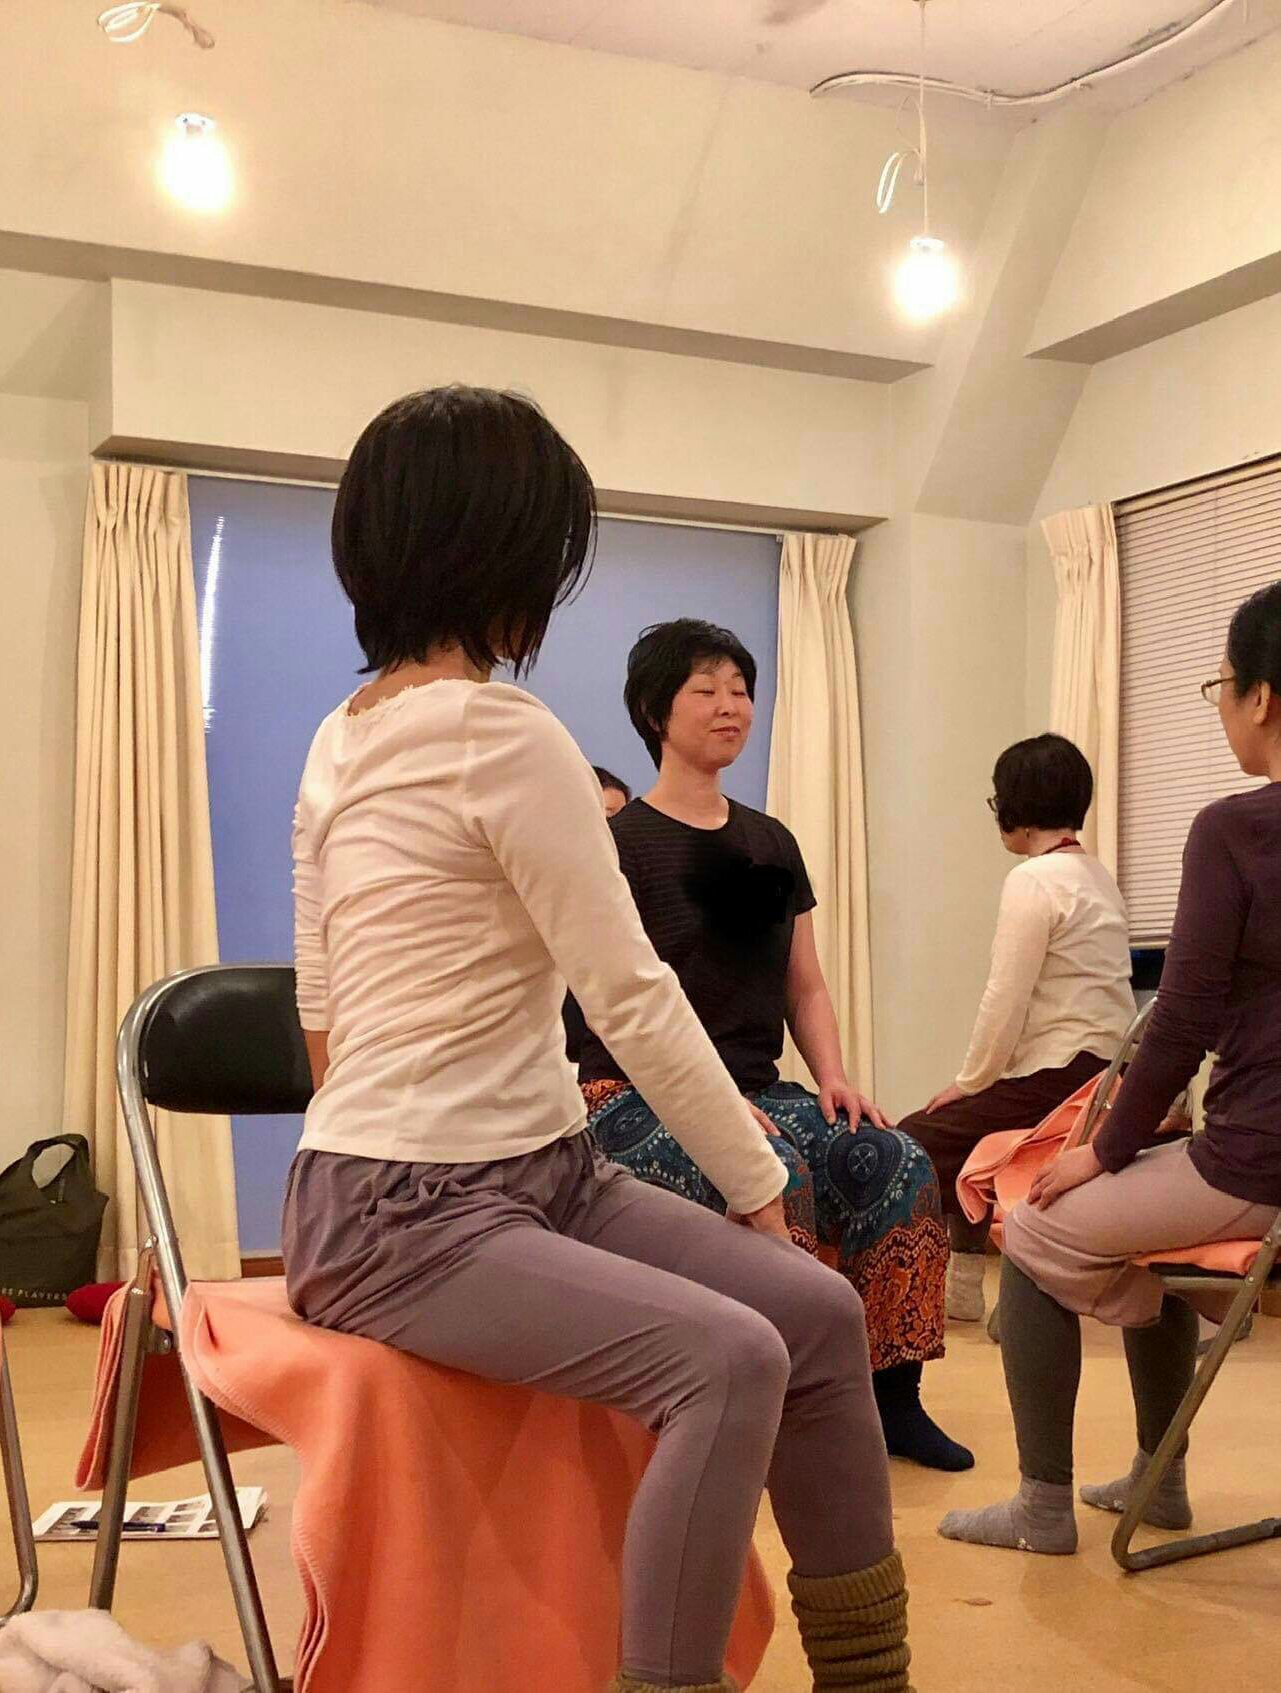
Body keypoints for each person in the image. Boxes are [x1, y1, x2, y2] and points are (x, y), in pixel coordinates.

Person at [286, 386, 913, 1693]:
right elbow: (628, 996)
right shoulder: (504, 735)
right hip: (406, 1208)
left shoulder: (339, 737)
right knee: (730, 1358)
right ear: (506, 557)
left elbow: (320, 1013)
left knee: (815, 1313)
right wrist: (756, 1190)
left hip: (532, 1174)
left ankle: (868, 1677)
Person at [565, 619, 969, 1473]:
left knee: (895, 1158)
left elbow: (804, 984)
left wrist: (834, 1078)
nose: (730, 706)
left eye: (741, 689)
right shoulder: (616, 846)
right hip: (633, 1095)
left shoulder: (770, 841)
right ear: (655, 711)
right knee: (769, 1169)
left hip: (759, 1088)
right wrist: (708, 1104)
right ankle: (783, 1400)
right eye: (706, 690)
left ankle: (892, 1400)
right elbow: (608, 1004)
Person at [940, 580, 1281, 1557]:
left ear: (1260, 696)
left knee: (1033, 1216)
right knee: (1131, 1220)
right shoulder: (1092, 872)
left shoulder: (1234, 829)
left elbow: (1180, 1016)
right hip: (1179, 1114)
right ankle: (1156, 1478)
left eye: (1221, 684)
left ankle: (1040, 1505)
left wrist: (1108, 1146)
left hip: (1254, 1159)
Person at [896, 735, 1135, 1323]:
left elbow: (1004, 1001)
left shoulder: (1034, 880)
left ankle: (925, 1292)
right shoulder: (1098, 876)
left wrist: (970, 1082)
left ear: (1016, 806)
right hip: (1109, 1074)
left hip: (1064, 1075)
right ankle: (964, 1289)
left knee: (911, 1140)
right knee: (972, 1136)